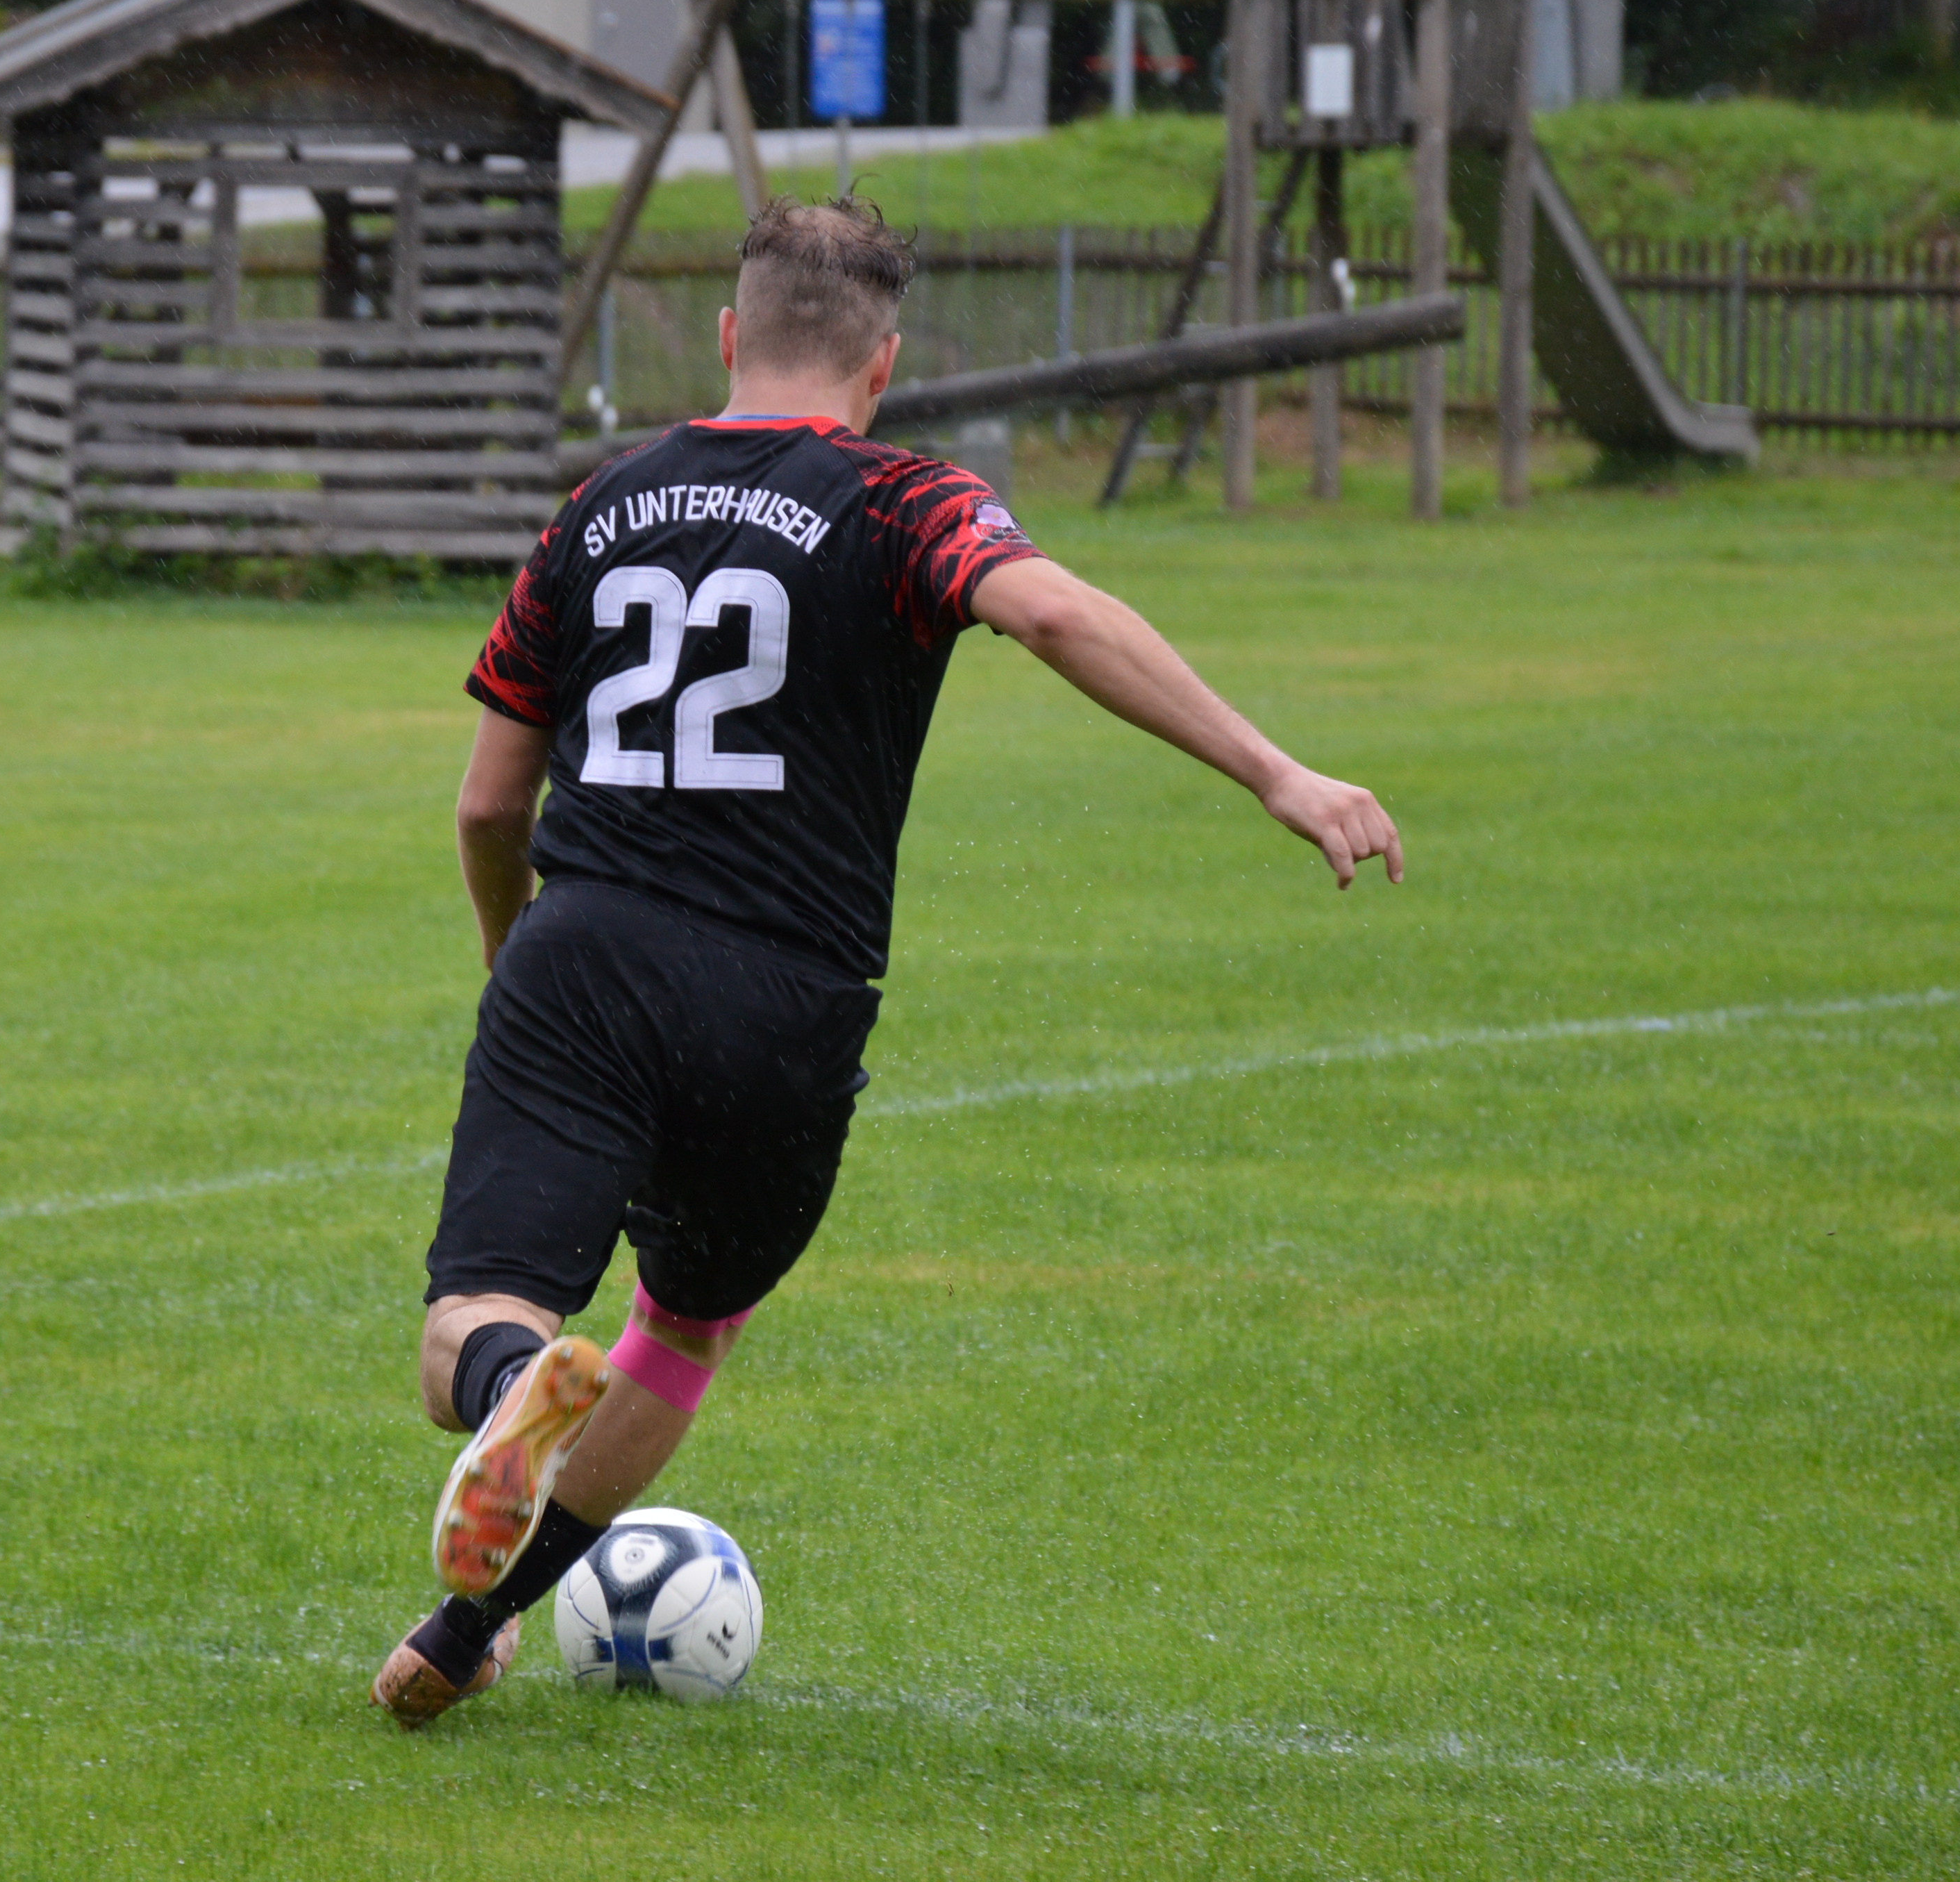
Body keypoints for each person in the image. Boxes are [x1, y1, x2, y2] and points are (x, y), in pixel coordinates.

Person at [373, 197, 1402, 1728]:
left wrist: (506, 956)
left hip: (581, 950)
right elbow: (1053, 612)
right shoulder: (907, 500)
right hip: (786, 997)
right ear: (885, 362)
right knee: (681, 1328)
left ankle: (508, 1390)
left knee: (474, 1316)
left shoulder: (595, 509)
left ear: (731, 335)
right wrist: (1275, 772)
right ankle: (462, 1637)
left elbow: (485, 805)